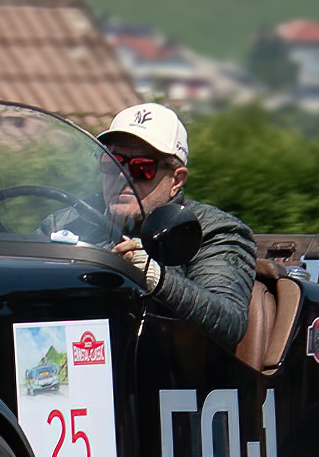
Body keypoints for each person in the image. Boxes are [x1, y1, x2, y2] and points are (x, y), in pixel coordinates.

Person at [97, 103, 256, 350]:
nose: (122, 176)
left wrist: (154, 275)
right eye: (113, 162)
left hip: (169, 373)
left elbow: (229, 320)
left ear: (176, 180)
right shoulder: (69, 220)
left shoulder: (213, 231)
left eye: (142, 168)